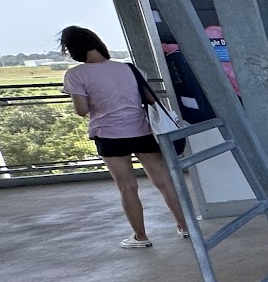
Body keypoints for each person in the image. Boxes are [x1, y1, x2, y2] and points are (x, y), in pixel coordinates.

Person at [59, 25, 190, 249]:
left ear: (72, 49)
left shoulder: (76, 75)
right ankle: (184, 226)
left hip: (109, 135)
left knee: (127, 186)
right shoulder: (128, 68)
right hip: (142, 130)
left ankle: (140, 236)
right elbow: (149, 97)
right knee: (164, 182)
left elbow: (81, 110)